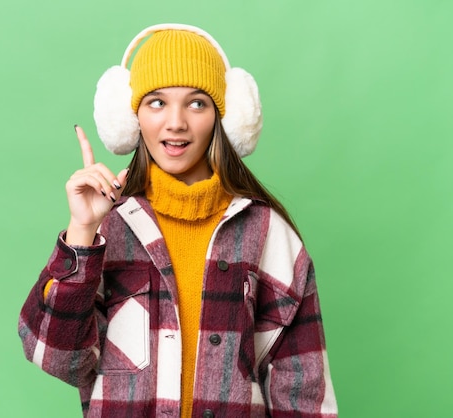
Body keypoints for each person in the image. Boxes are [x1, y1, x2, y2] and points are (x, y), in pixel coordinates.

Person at [18, 23, 338, 417]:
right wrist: (82, 232)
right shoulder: (108, 228)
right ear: (130, 115)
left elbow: (304, 398)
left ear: (225, 117)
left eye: (196, 103)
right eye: (156, 102)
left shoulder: (270, 235)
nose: (176, 123)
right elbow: (56, 357)